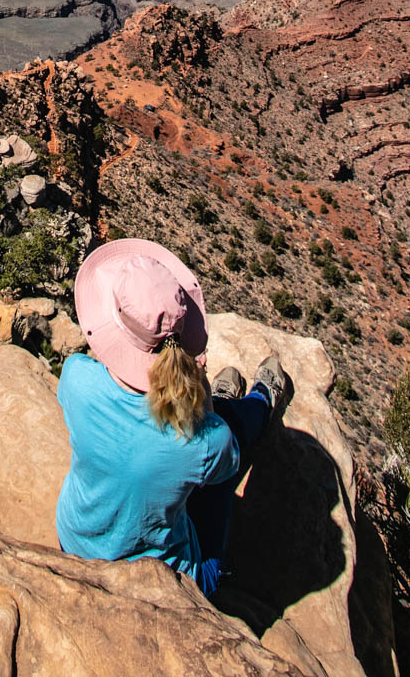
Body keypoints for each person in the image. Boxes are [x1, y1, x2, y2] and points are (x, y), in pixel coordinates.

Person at [55, 237, 288, 596]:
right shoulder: (202, 441)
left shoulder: (75, 377)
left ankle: (235, 399)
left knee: (195, 446)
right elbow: (223, 464)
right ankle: (263, 398)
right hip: (164, 582)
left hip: (75, 541)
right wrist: (201, 388)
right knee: (227, 435)